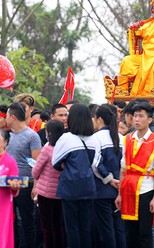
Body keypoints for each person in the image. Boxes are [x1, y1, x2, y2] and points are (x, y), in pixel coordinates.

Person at [115, 102, 154, 248]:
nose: (136, 119)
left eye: (141, 116)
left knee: (145, 234)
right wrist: (120, 193)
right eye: (135, 116)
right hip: (129, 189)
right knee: (129, 233)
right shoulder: (127, 139)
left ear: (149, 120)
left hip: (146, 190)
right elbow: (123, 168)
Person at [52, 104, 99, 248]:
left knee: (72, 227)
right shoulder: (94, 139)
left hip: (70, 188)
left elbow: (55, 162)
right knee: (85, 226)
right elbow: (95, 163)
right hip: (88, 187)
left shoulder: (66, 138)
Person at [5, 102, 42, 248]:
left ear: (13, 117)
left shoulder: (31, 136)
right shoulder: (7, 135)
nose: (5, 118)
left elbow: (37, 164)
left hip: (25, 182)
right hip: (7, 182)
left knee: (26, 220)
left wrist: (36, 186)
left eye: (7, 115)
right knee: (9, 220)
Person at [91, 105, 125, 248]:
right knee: (119, 228)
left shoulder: (96, 138)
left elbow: (95, 164)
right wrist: (118, 181)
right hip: (120, 189)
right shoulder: (122, 138)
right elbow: (125, 164)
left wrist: (110, 179)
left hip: (102, 190)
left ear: (99, 119)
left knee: (106, 229)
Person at [32, 120, 66, 248]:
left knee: (47, 226)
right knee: (58, 225)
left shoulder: (47, 150)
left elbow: (35, 171)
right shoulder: (64, 149)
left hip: (45, 194)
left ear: (49, 133)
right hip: (60, 193)